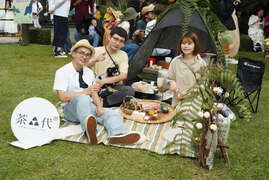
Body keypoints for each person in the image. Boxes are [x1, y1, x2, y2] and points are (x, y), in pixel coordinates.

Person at [53, 39, 145, 145]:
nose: (84, 56)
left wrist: (99, 106)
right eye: (81, 53)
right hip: (71, 110)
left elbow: (94, 92)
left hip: (88, 106)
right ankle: (89, 131)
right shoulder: (62, 72)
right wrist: (84, 92)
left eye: (87, 55)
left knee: (112, 114)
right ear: (73, 53)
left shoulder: (89, 72)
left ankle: (116, 135)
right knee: (82, 98)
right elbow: (62, 97)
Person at [91, 27, 135, 107]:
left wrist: (103, 81)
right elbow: (82, 66)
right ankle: (101, 101)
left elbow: (123, 75)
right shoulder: (96, 50)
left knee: (129, 90)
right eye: (115, 39)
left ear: (123, 44)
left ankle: (102, 103)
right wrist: (95, 60)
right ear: (109, 37)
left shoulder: (123, 55)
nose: (117, 43)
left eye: (121, 41)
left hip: (112, 87)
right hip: (95, 85)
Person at [164, 32, 206, 107]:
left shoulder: (201, 63)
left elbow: (203, 83)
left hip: (194, 103)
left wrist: (189, 93)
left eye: (189, 44)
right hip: (177, 101)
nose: (186, 46)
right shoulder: (175, 61)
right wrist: (172, 83)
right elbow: (169, 78)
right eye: (183, 43)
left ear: (195, 45)